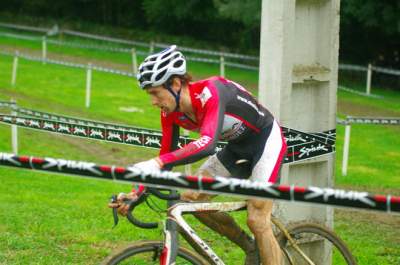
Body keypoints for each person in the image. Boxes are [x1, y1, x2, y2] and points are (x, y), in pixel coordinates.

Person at [109, 45, 287, 265]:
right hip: (236, 148)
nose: (153, 101)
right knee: (189, 200)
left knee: (257, 219)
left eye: (155, 92)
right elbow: (166, 157)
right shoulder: (170, 112)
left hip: (266, 141)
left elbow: (207, 144)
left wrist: (156, 162)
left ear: (175, 84)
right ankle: (250, 248)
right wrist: (137, 193)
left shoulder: (212, 91)